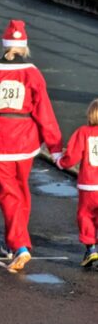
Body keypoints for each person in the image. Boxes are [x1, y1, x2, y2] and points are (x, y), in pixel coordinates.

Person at [0, 19, 63, 271]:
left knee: (8, 194)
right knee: (21, 191)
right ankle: (15, 241)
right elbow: (44, 112)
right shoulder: (32, 73)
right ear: (24, 47)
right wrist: (55, 147)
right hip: (26, 138)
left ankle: (19, 244)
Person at [57, 98, 98, 267]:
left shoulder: (83, 132)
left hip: (89, 184)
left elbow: (72, 156)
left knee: (86, 215)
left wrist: (61, 162)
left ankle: (91, 248)